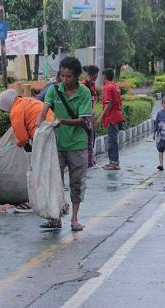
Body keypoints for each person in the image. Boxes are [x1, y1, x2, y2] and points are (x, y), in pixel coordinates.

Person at [36, 57, 92, 231]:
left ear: (76, 76)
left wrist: (62, 121)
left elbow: (81, 119)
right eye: (62, 76)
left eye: (68, 76)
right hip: (57, 145)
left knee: (76, 182)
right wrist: (38, 126)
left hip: (77, 144)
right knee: (55, 181)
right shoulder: (54, 90)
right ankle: (56, 217)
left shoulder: (84, 93)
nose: (64, 80)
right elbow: (44, 110)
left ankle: (74, 219)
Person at [96, 68, 125, 170]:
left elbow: (109, 103)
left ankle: (114, 163)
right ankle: (113, 162)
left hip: (112, 117)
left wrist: (100, 117)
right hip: (116, 115)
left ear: (104, 76)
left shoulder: (108, 87)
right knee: (113, 140)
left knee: (112, 140)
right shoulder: (115, 86)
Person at [82, 65, 100, 167]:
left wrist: (92, 110)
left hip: (90, 114)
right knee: (87, 138)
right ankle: (87, 161)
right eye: (96, 75)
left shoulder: (92, 84)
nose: (96, 77)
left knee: (91, 138)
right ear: (92, 74)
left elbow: (95, 97)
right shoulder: (83, 85)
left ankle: (90, 160)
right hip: (85, 115)